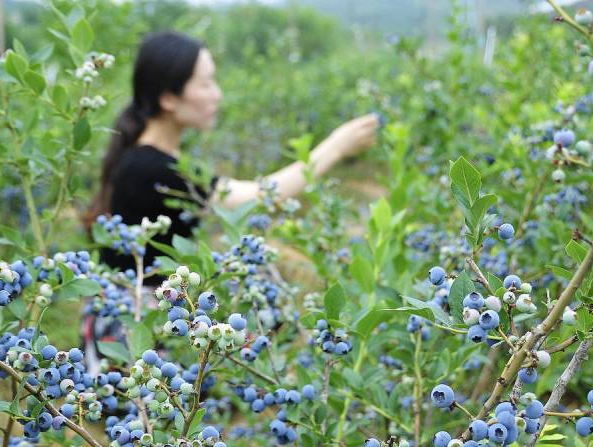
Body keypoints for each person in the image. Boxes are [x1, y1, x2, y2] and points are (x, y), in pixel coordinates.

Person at [83, 30, 380, 273]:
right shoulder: (151, 168)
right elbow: (261, 198)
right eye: (206, 83)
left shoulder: (149, 156)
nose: (218, 94)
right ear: (169, 98)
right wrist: (336, 146)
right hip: (137, 328)